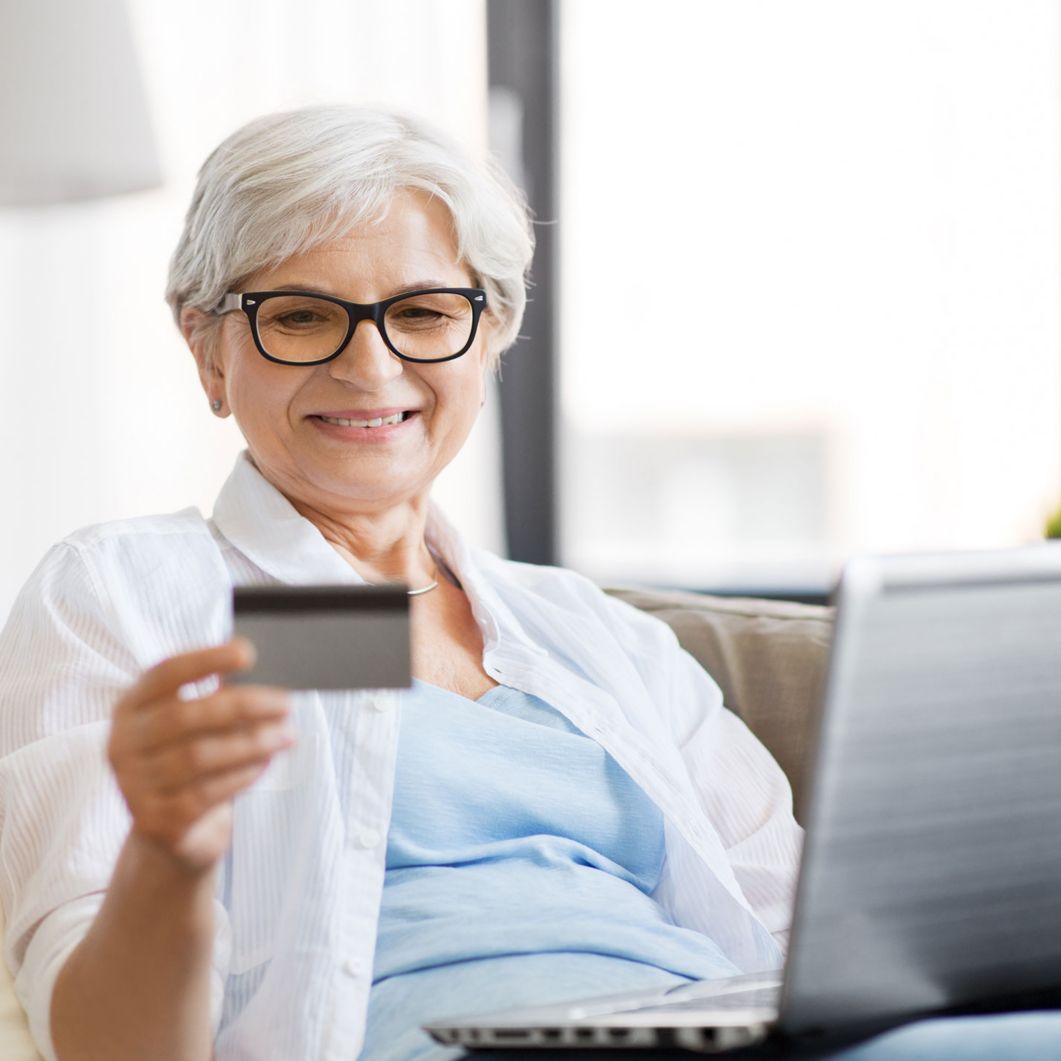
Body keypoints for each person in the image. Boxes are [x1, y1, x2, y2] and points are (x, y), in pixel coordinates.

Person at [0, 105, 1055, 1061]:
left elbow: (802, 929)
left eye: (421, 313)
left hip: (702, 1024)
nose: (370, 369)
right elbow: (105, 1043)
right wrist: (168, 858)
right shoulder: (130, 593)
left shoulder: (584, 630)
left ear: (490, 332)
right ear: (207, 350)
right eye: (301, 315)